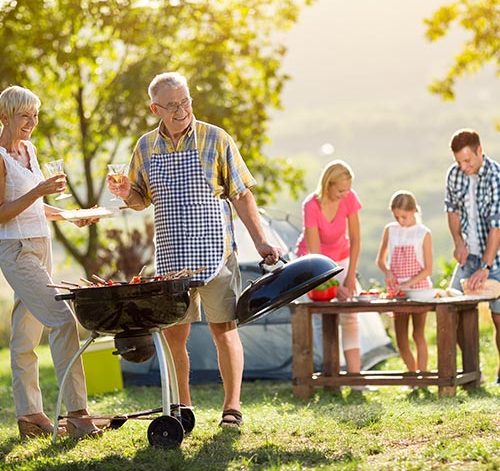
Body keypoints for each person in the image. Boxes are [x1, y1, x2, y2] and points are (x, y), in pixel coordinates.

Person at [107, 72, 281, 429]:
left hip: (216, 253)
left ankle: (231, 407)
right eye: (171, 105)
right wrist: (126, 192)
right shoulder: (145, 147)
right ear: (155, 108)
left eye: (185, 101)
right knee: (175, 335)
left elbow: (241, 194)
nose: (181, 109)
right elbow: (141, 199)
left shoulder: (216, 138)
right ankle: (182, 409)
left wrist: (262, 241)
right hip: (172, 257)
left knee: (224, 329)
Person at [0, 85, 102, 439]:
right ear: (5, 117)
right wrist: (39, 190)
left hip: (41, 245)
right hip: (15, 250)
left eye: (35, 115)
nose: (32, 122)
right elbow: (2, 213)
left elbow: (34, 206)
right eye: (24, 115)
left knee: (24, 336)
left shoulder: (28, 149)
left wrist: (71, 215)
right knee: (62, 320)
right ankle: (77, 413)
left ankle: (30, 416)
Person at [295, 160, 362, 377]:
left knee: (350, 314)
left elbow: (356, 239)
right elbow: (316, 258)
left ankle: (354, 377)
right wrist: (332, 287)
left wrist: (350, 277)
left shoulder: (349, 198)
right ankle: (329, 375)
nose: (345, 194)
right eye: (340, 190)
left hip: (341, 259)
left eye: (348, 190)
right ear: (328, 185)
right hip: (314, 264)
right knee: (320, 316)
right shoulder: (311, 206)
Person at [445, 128, 500, 385]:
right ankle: (471, 375)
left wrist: (487, 266)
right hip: (470, 256)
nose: (463, 166)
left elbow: (496, 225)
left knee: (499, 318)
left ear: (480, 151)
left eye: (467, 160)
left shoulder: (496, 176)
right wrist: (459, 243)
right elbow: (452, 210)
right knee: (451, 309)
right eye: (459, 161)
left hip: (496, 257)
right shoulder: (455, 174)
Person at [376, 190, 432, 372]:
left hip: (419, 290)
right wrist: (388, 272)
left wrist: (408, 284)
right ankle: (412, 374)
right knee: (400, 338)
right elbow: (381, 260)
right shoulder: (390, 230)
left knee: (418, 334)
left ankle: (422, 376)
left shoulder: (423, 233)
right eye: (397, 216)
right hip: (397, 291)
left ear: (414, 210)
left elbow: (428, 269)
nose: (401, 221)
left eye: (404, 216)